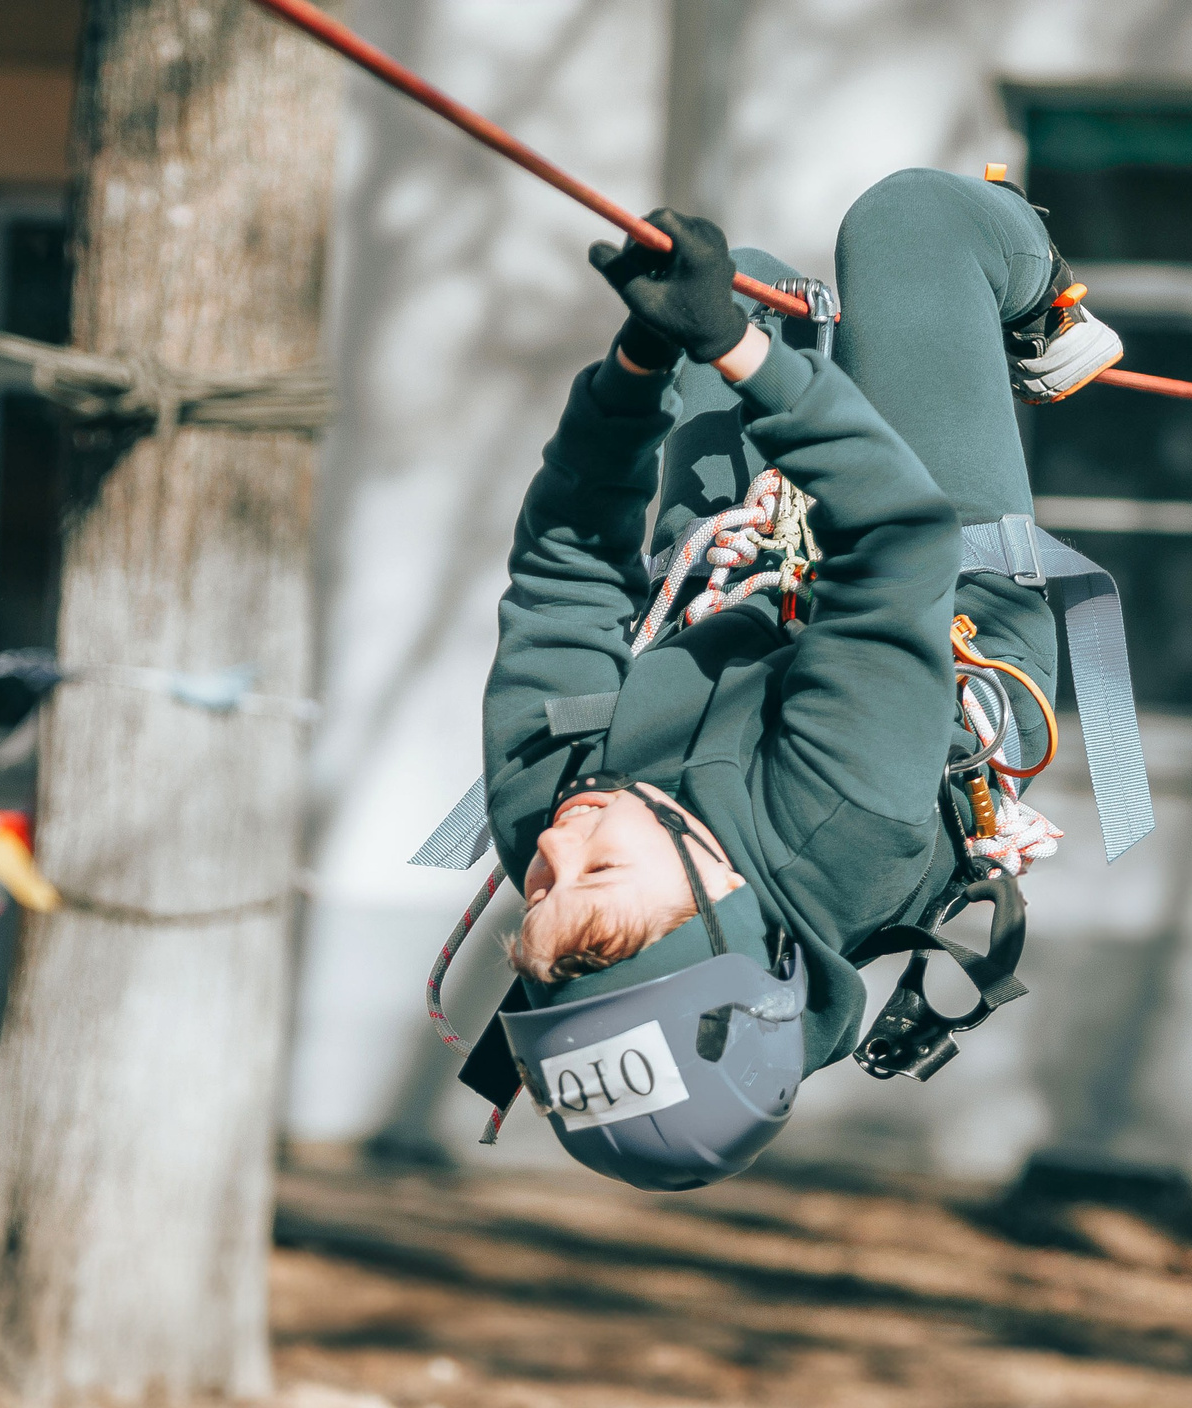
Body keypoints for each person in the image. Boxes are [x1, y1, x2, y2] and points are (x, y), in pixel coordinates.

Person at [449, 168, 1124, 1187]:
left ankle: (764, 341)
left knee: (745, 283)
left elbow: (564, 568)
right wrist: (737, 353)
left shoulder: (555, 808)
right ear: (724, 898)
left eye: (537, 890)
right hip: (939, 631)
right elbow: (892, 539)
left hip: (730, 623)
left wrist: (639, 364)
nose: (551, 847)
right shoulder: (840, 825)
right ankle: (1043, 312)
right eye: (595, 874)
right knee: (911, 226)